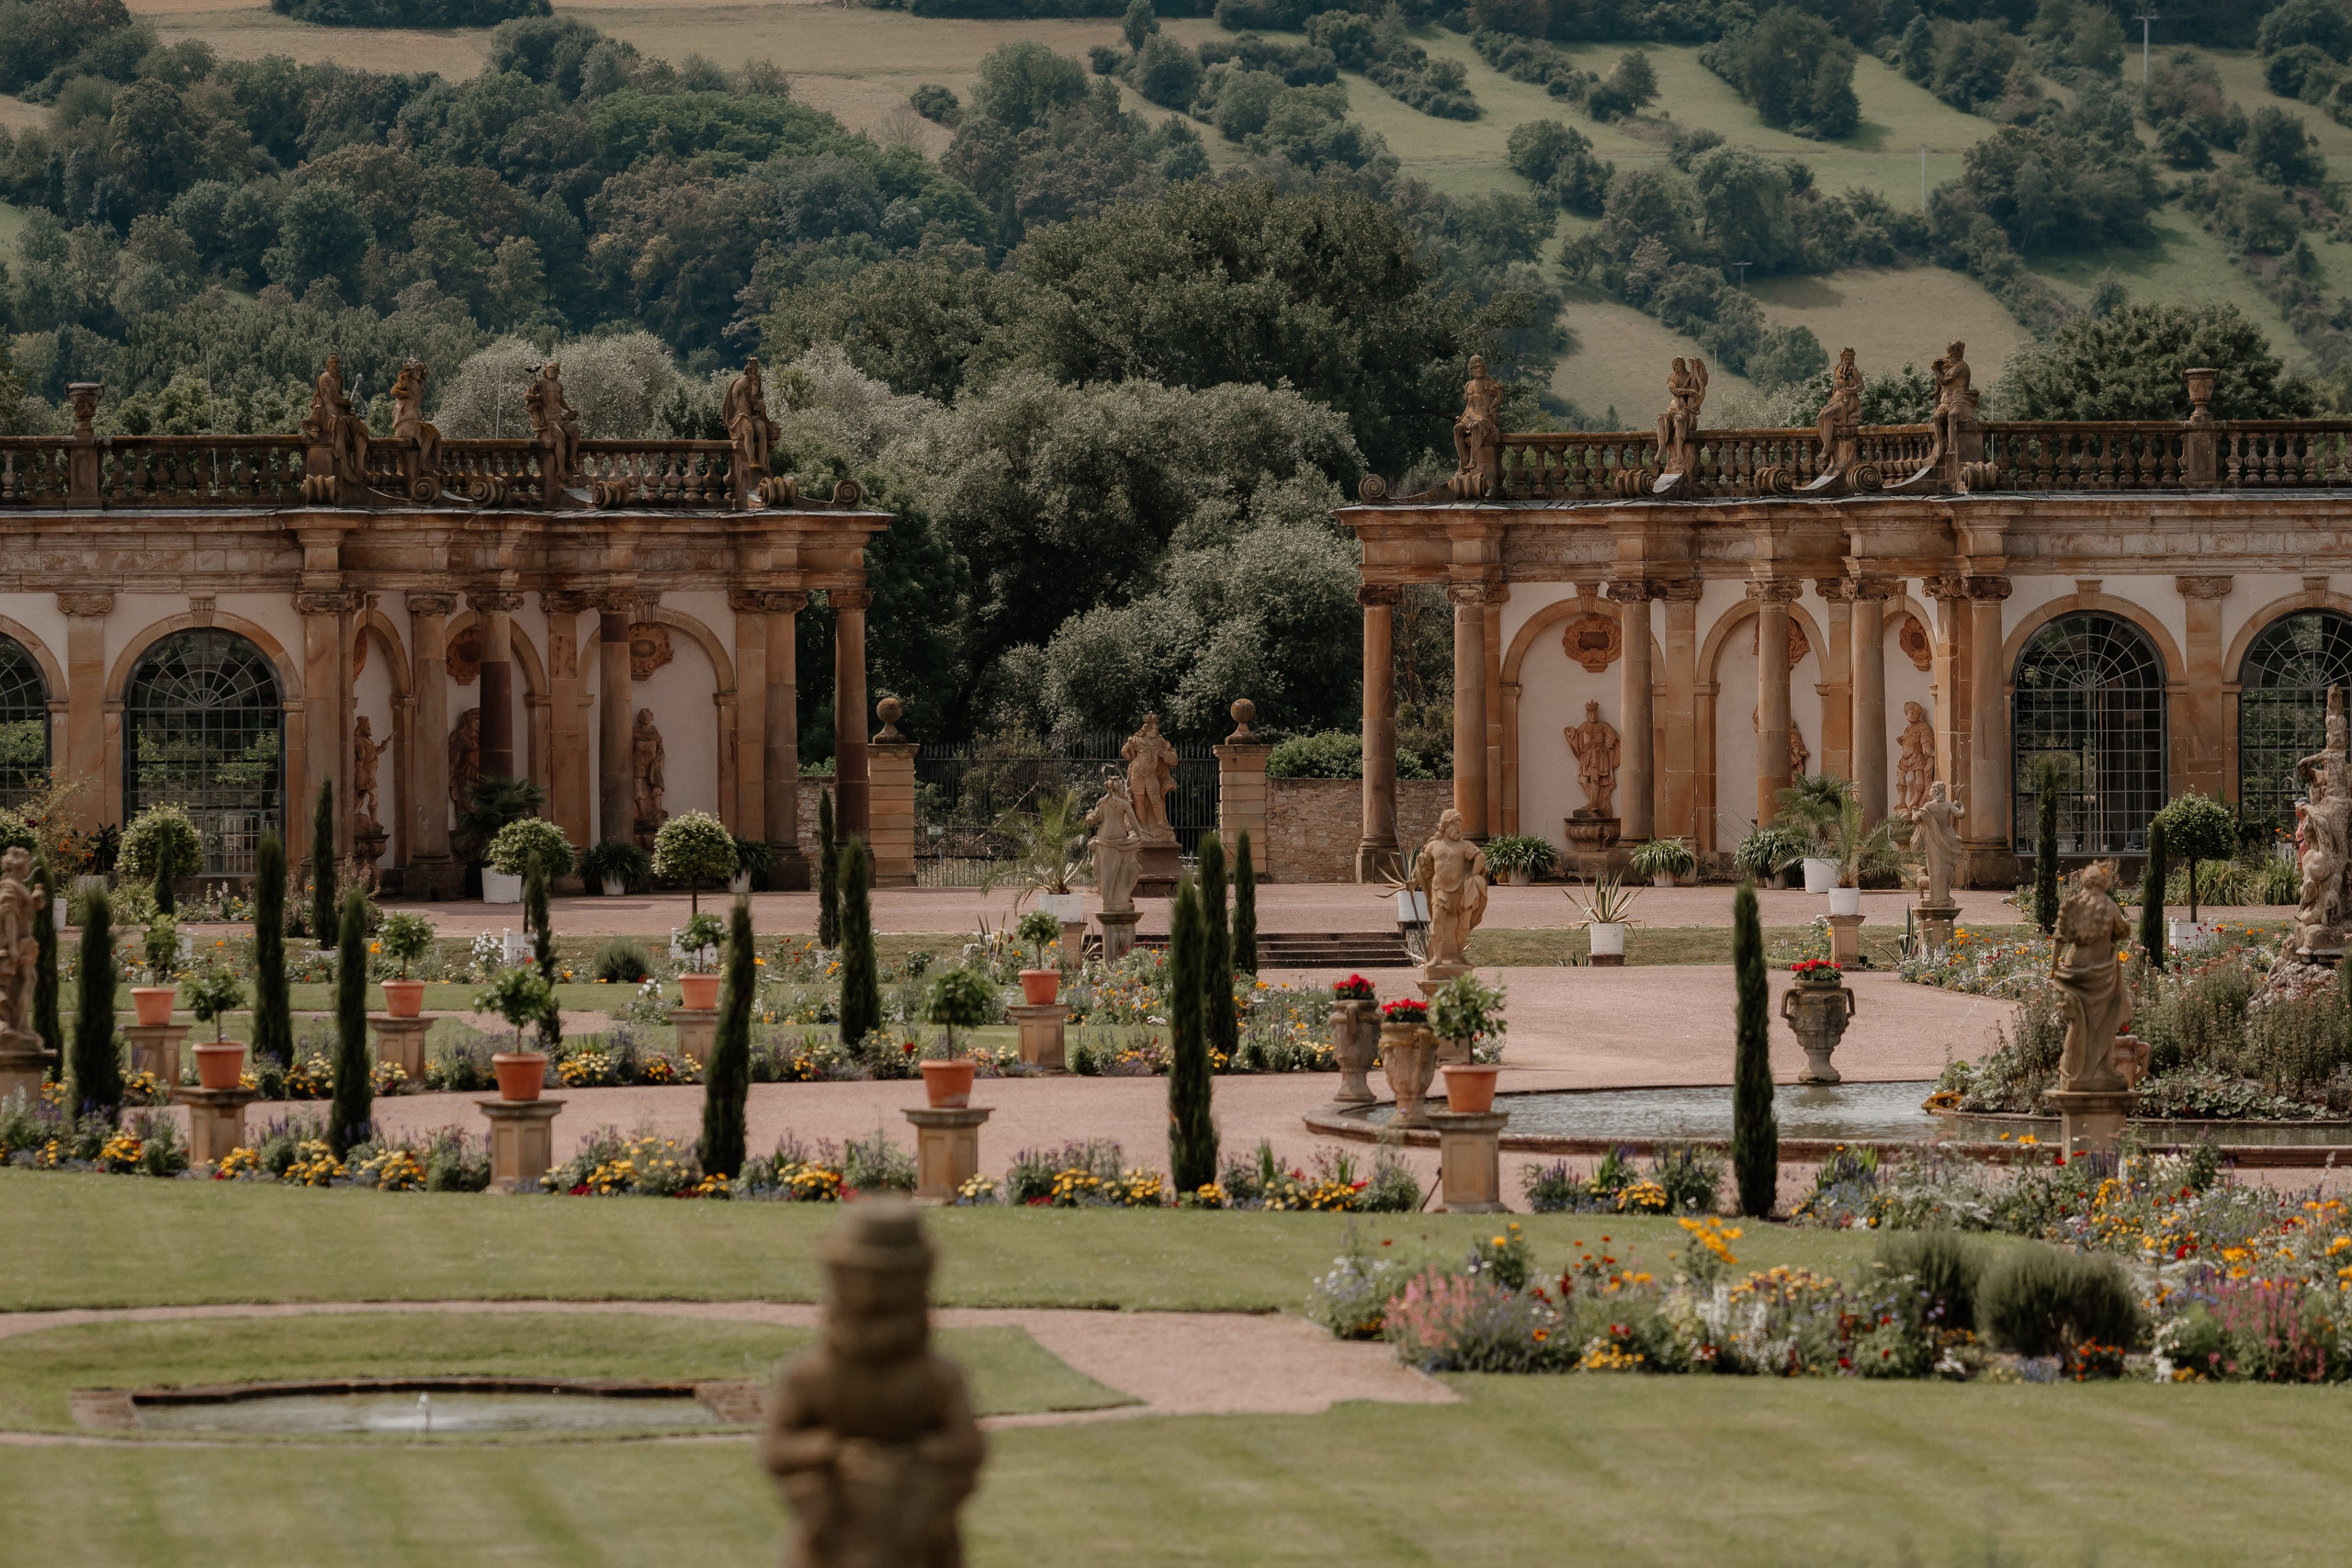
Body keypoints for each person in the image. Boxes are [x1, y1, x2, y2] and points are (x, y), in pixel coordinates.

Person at [2051, 861, 2132, 1092]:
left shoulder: (2074, 904)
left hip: (2076, 968)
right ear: (2105, 883)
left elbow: (2059, 937)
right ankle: (2099, 1069)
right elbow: (2122, 931)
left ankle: (2072, 1071)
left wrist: (2054, 964)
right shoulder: (2109, 906)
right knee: (2104, 1022)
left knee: (2079, 1023)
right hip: (2103, 970)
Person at [1414, 808, 1490, 968]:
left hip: (1462, 891)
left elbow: (1480, 856)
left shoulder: (1464, 846)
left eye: (1459, 825)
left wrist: (1474, 874)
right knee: (1437, 924)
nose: (1458, 829)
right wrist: (1414, 882)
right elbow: (1423, 867)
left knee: (1463, 926)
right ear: (1445, 826)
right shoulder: (1434, 846)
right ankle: (1437, 958)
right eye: (1454, 825)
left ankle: (1459, 955)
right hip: (1440, 890)